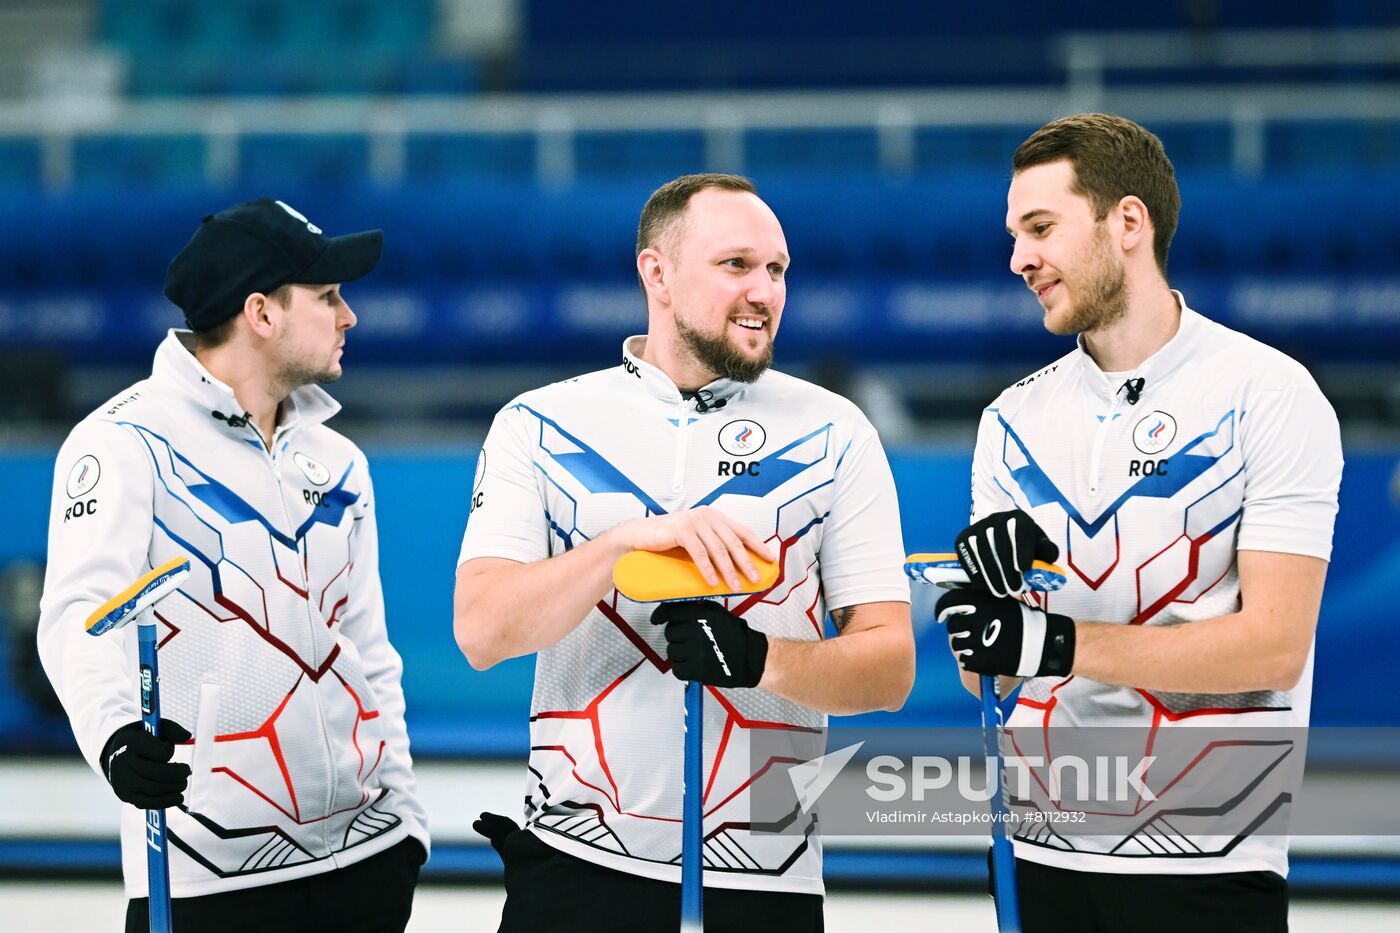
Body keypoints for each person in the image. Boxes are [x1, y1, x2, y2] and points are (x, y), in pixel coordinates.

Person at [454, 173, 914, 931]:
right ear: (656, 273)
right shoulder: (538, 424)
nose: (764, 290)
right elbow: (482, 631)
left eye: (777, 269)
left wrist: (757, 658)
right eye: (736, 265)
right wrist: (623, 543)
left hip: (764, 877)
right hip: (576, 866)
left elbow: (891, 667)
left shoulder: (837, 432)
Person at [934, 113, 1343, 932]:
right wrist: (990, 613)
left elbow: (1274, 645)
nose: (1019, 259)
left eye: (1040, 228)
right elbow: (988, 682)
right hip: (1035, 854)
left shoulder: (1268, 392)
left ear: (1128, 222)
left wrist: (1056, 642)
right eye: (1015, 235)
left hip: (1208, 857)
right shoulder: (1010, 419)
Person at [37, 198, 429, 932]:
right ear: (261, 312)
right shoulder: (121, 444)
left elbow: (371, 652)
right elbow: (76, 621)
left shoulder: (338, 458)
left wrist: (405, 821)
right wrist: (118, 737)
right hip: (204, 879)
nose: (350, 316)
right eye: (329, 296)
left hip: (367, 866)